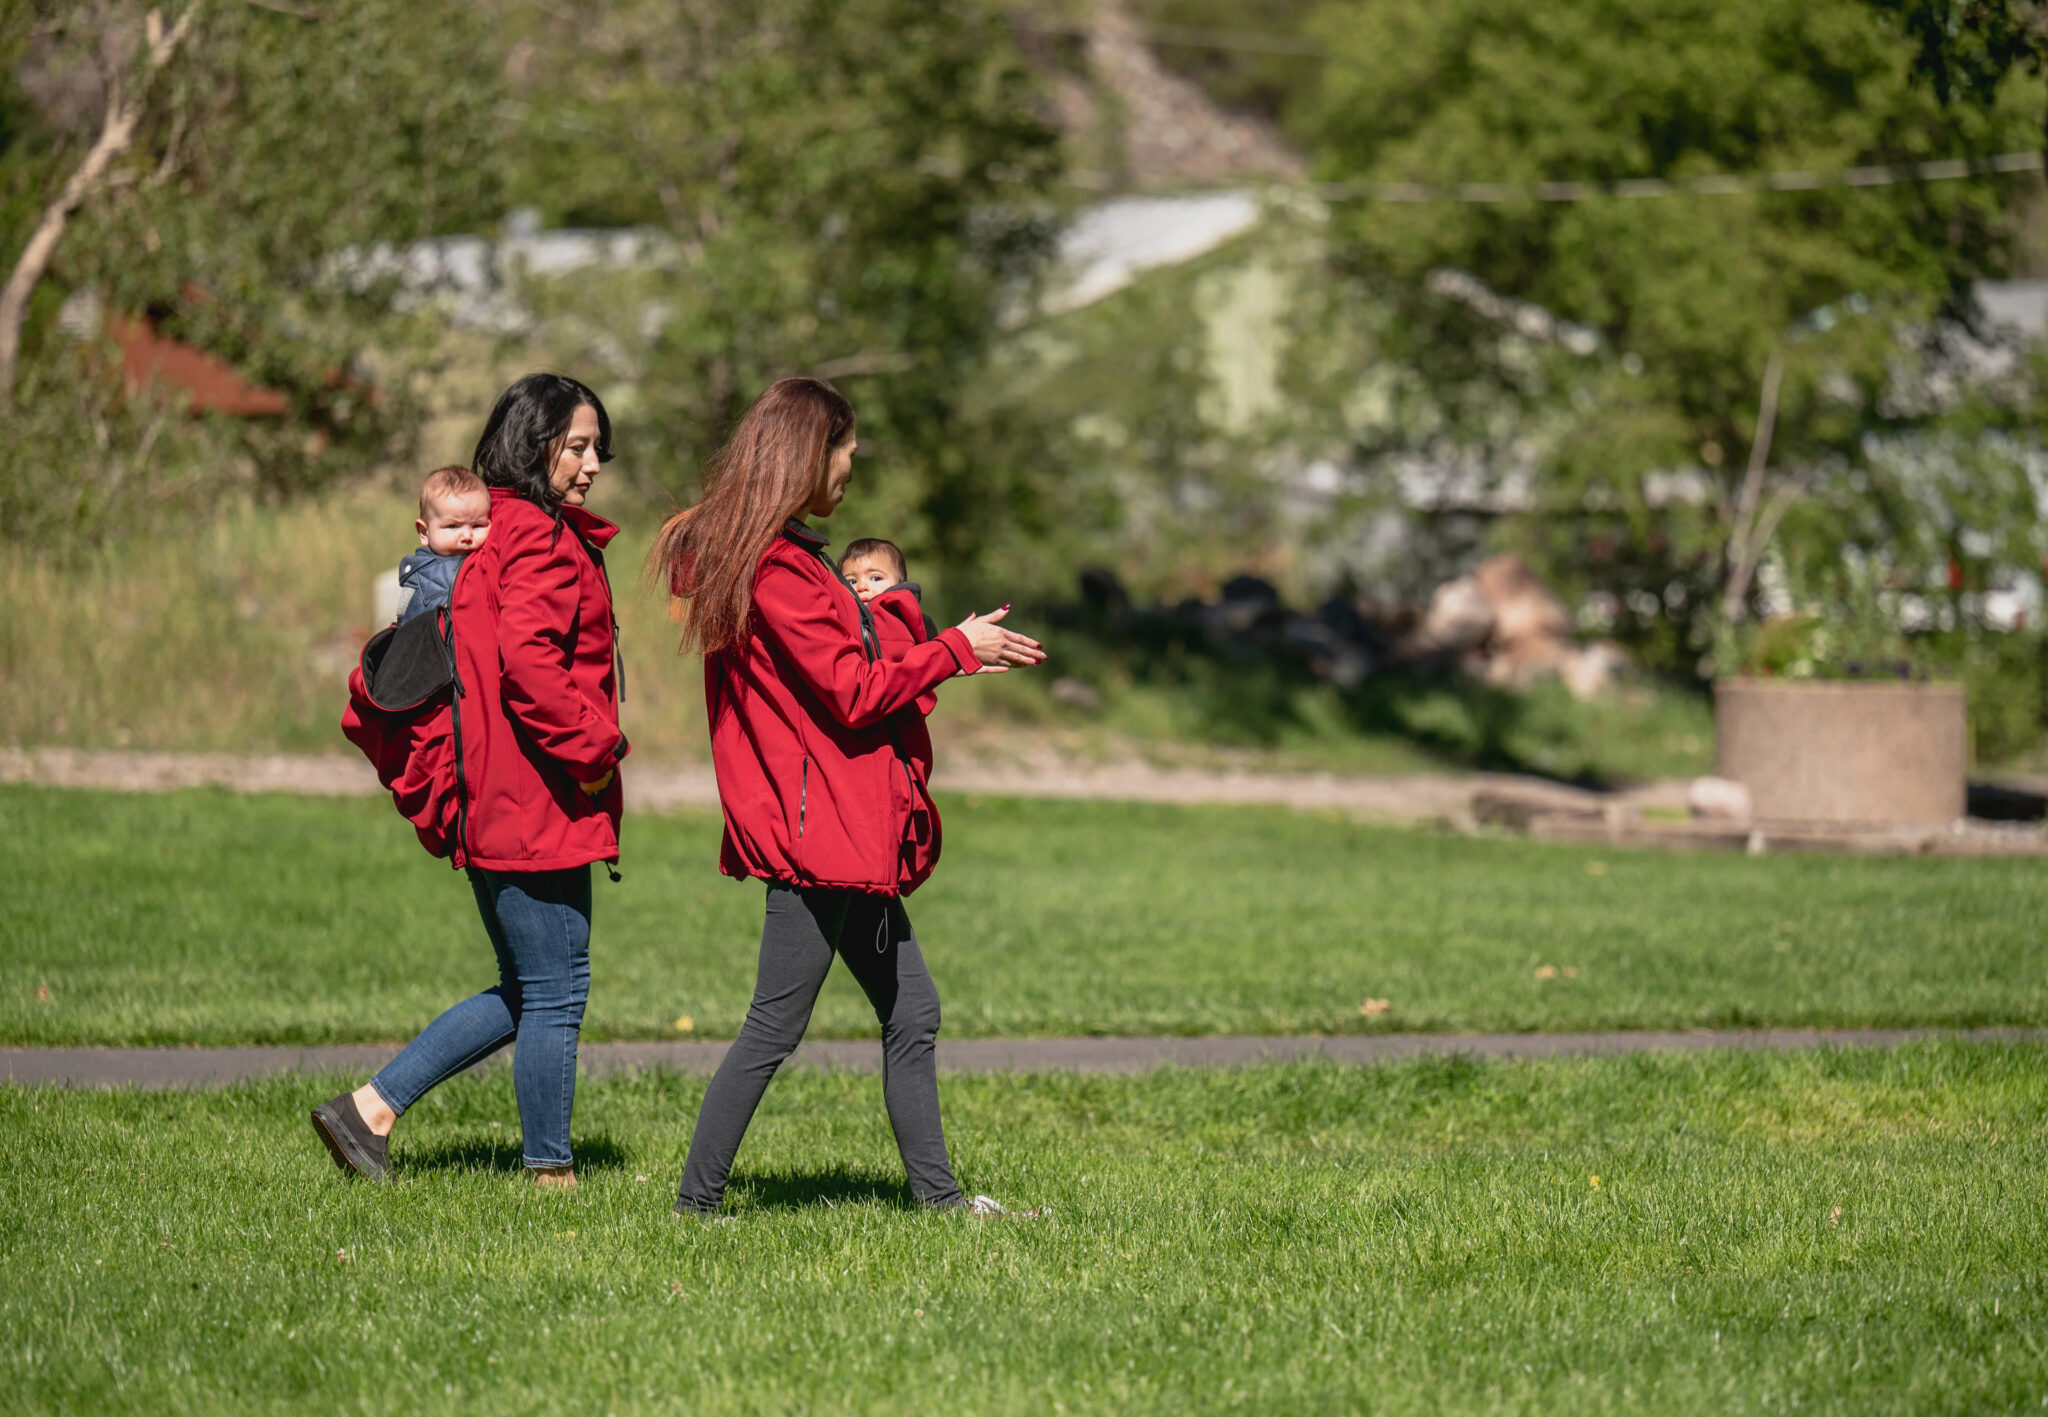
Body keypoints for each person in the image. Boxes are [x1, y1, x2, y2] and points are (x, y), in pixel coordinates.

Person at [648, 375, 1045, 1217]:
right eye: (844, 449)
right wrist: (955, 648)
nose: (852, 466)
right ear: (804, 456)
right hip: (815, 835)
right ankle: (694, 1207)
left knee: (915, 1010)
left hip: (842, 830)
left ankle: (940, 1204)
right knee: (775, 1023)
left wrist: (936, 639)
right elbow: (855, 689)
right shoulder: (779, 570)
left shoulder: (792, 556)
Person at [312, 373, 628, 1189]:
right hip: (535, 794)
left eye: (598, 447)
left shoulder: (496, 531)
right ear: (535, 442)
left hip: (493, 794)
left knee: (529, 986)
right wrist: (598, 751)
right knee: (557, 990)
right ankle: (549, 1172)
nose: (594, 463)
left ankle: (369, 1111)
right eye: (579, 445)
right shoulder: (537, 540)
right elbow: (529, 664)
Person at [394, 465, 491, 624]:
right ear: (424, 532)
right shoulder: (430, 575)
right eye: (452, 526)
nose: (467, 536)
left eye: (477, 526)